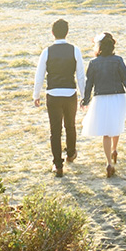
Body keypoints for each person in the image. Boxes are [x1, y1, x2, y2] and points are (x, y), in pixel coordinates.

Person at [80, 32, 126, 178]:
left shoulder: (93, 63)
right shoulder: (118, 60)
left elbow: (89, 84)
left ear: (99, 47)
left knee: (106, 132)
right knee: (116, 124)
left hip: (101, 98)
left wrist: (85, 100)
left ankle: (108, 163)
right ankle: (115, 149)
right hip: (118, 97)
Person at [33, 18, 86, 177]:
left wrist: (36, 95)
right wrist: (84, 96)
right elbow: (81, 76)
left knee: (55, 130)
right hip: (70, 94)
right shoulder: (75, 50)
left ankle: (58, 165)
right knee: (70, 126)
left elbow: (39, 75)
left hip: (53, 95)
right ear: (67, 32)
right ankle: (71, 154)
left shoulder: (47, 51)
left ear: (52, 33)